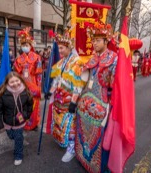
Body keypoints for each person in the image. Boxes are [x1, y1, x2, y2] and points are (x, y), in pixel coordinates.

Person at [75, 22, 118, 172]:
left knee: (100, 136)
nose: (94, 43)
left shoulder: (114, 58)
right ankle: (83, 157)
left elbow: (116, 85)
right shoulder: (92, 58)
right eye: (93, 40)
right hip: (86, 101)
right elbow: (84, 79)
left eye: (98, 40)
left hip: (103, 103)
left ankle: (98, 165)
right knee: (84, 131)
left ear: (106, 41)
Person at [45, 29, 87, 162]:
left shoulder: (77, 62)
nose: (60, 51)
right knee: (60, 122)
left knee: (70, 125)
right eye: (59, 48)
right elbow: (57, 80)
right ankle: (63, 141)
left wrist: (74, 102)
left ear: (69, 47)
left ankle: (72, 149)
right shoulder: (61, 62)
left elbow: (78, 85)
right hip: (59, 99)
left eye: (62, 48)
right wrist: (50, 91)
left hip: (69, 101)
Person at [0, 72, 33, 166]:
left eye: (17, 81)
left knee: (18, 138)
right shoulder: (3, 93)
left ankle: (18, 155)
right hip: (8, 121)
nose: (15, 83)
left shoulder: (25, 91)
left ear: (20, 80)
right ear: (7, 83)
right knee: (11, 136)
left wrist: (26, 115)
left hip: (20, 121)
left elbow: (29, 104)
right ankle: (17, 137)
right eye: (12, 82)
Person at [14, 27, 42, 131]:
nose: (25, 47)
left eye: (26, 45)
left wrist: (39, 86)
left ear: (30, 46)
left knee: (34, 103)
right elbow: (16, 73)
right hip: (22, 84)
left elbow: (39, 73)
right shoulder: (18, 59)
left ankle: (34, 123)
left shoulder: (36, 57)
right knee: (22, 104)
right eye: (23, 45)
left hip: (33, 83)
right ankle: (23, 122)